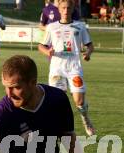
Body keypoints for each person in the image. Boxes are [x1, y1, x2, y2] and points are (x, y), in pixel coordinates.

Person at [38, 0, 96, 136]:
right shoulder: (51, 27)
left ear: (73, 8)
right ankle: (59, 129)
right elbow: (41, 45)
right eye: (63, 8)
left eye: (68, 8)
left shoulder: (80, 26)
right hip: (57, 69)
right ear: (59, 8)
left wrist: (88, 53)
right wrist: (47, 52)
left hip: (74, 68)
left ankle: (85, 119)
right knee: (58, 100)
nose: (65, 11)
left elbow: (90, 45)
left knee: (79, 101)